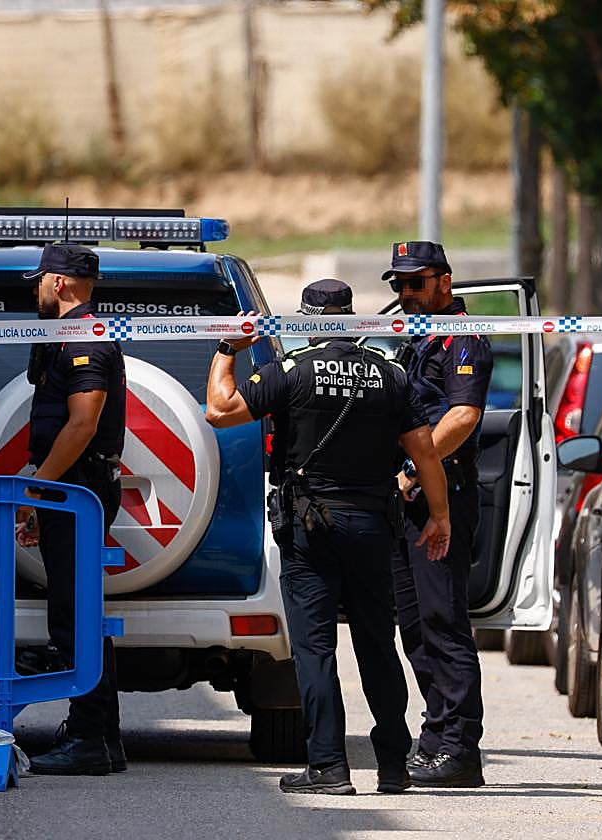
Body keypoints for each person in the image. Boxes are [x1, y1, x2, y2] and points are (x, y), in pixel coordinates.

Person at [205, 278, 451, 796]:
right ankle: (393, 765)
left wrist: (228, 348)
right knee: (377, 646)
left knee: (315, 648)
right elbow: (425, 451)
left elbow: (219, 411)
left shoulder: (291, 370)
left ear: (307, 319)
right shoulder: (390, 373)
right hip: (371, 525)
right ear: (350, 315)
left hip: (310, 527)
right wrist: (440, 515)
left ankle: (328, 767)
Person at [383, 241, 492, 787]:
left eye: (416, 283)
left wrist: (410, 471)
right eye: (399, 284)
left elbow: (463, 416)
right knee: (415, 627)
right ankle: (436, 738)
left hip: (441, 496)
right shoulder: (415, 337)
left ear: (445, 281)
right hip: (408, 503)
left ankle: (460, 748)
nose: (406, 293)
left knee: (444, 624)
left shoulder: (461, 338)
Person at [15, 242, 126, 776]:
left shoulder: (85, 338)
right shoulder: (65, 334)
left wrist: (38, 490)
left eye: (39, 280)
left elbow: (82, 425)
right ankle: (103, 736)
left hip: (77, 491)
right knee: (80, 612)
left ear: (58, 283)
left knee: (74, 618)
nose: (35, 290)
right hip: (70, 489)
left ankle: (87, 740)